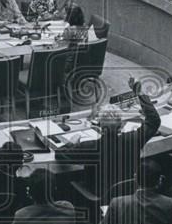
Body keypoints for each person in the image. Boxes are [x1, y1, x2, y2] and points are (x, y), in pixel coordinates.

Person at [55, 77, 161, 206]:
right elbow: (154, 121)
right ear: (121, 125)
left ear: (100, 126)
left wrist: (71, 142)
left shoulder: (92, 147)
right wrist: (139, 93)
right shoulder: (133, 139)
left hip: (99, 196)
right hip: (129, 194)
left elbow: (59, 154)